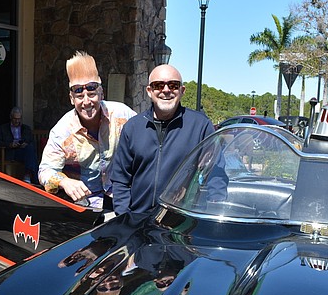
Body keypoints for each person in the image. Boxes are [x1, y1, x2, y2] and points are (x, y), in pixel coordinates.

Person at [111, 65, 215, 214]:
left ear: (182, 91)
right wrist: (124, 217)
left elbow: (215, 174)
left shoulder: (200, 126)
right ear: (149, 91)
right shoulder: (132, 128)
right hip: (138, 221)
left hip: (180, 222)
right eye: (158, 85)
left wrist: (211, 215)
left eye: (173, 85)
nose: (166, 90)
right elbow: (121, 179)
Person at [39, 51, 136, 209]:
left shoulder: (122, 115)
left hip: (122, 196)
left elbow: (146, 140)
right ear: (72, 98)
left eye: (92, 94)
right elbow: (45, 171)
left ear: (101, 93)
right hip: (86, 204)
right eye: (79, 96)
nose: (86, 102)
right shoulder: (61, 131)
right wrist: (64, 181)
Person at [0, 106, 38, 183]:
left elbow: (31, 141)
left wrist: (25, 143)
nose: (17, 121)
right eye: (15, 119)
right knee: (32, 156)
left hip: (23, 151)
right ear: (11, 117)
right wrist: (10, 144)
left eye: (19, 119)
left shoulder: (26, 128)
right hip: (10, 152)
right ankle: (32, 178)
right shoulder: (3, 128)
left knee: (30, 149)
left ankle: (28, 176)